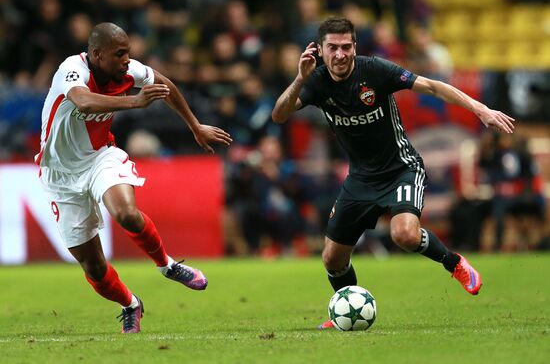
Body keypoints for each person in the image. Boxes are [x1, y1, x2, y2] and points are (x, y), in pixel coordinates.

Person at [271, 17, 515, 329]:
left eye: (347, 47)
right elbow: (279, 114)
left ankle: (455, 264)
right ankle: (347, 309)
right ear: (320, 49)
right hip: (360, 178)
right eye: (333, 48)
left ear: (355, 47)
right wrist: (300, 80)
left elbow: (432, 86)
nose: (340, 54)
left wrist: (481, 110)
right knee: (332, 258)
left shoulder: (374, 70)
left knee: (404, 234)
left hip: (402, 168)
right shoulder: (315, 82)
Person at [35, 22, 232, 333]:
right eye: (120, 54)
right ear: (97, 55)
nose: (128, 59)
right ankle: (131, 304)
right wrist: (135, 102)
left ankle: (168, 265)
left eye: (129, 53)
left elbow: (165, 85)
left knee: (126, 214)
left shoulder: (129, 71)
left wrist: (195, 126)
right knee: (95, 268)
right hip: (59, 175)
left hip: (101, 157)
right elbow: (83, 101)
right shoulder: (71, 69)